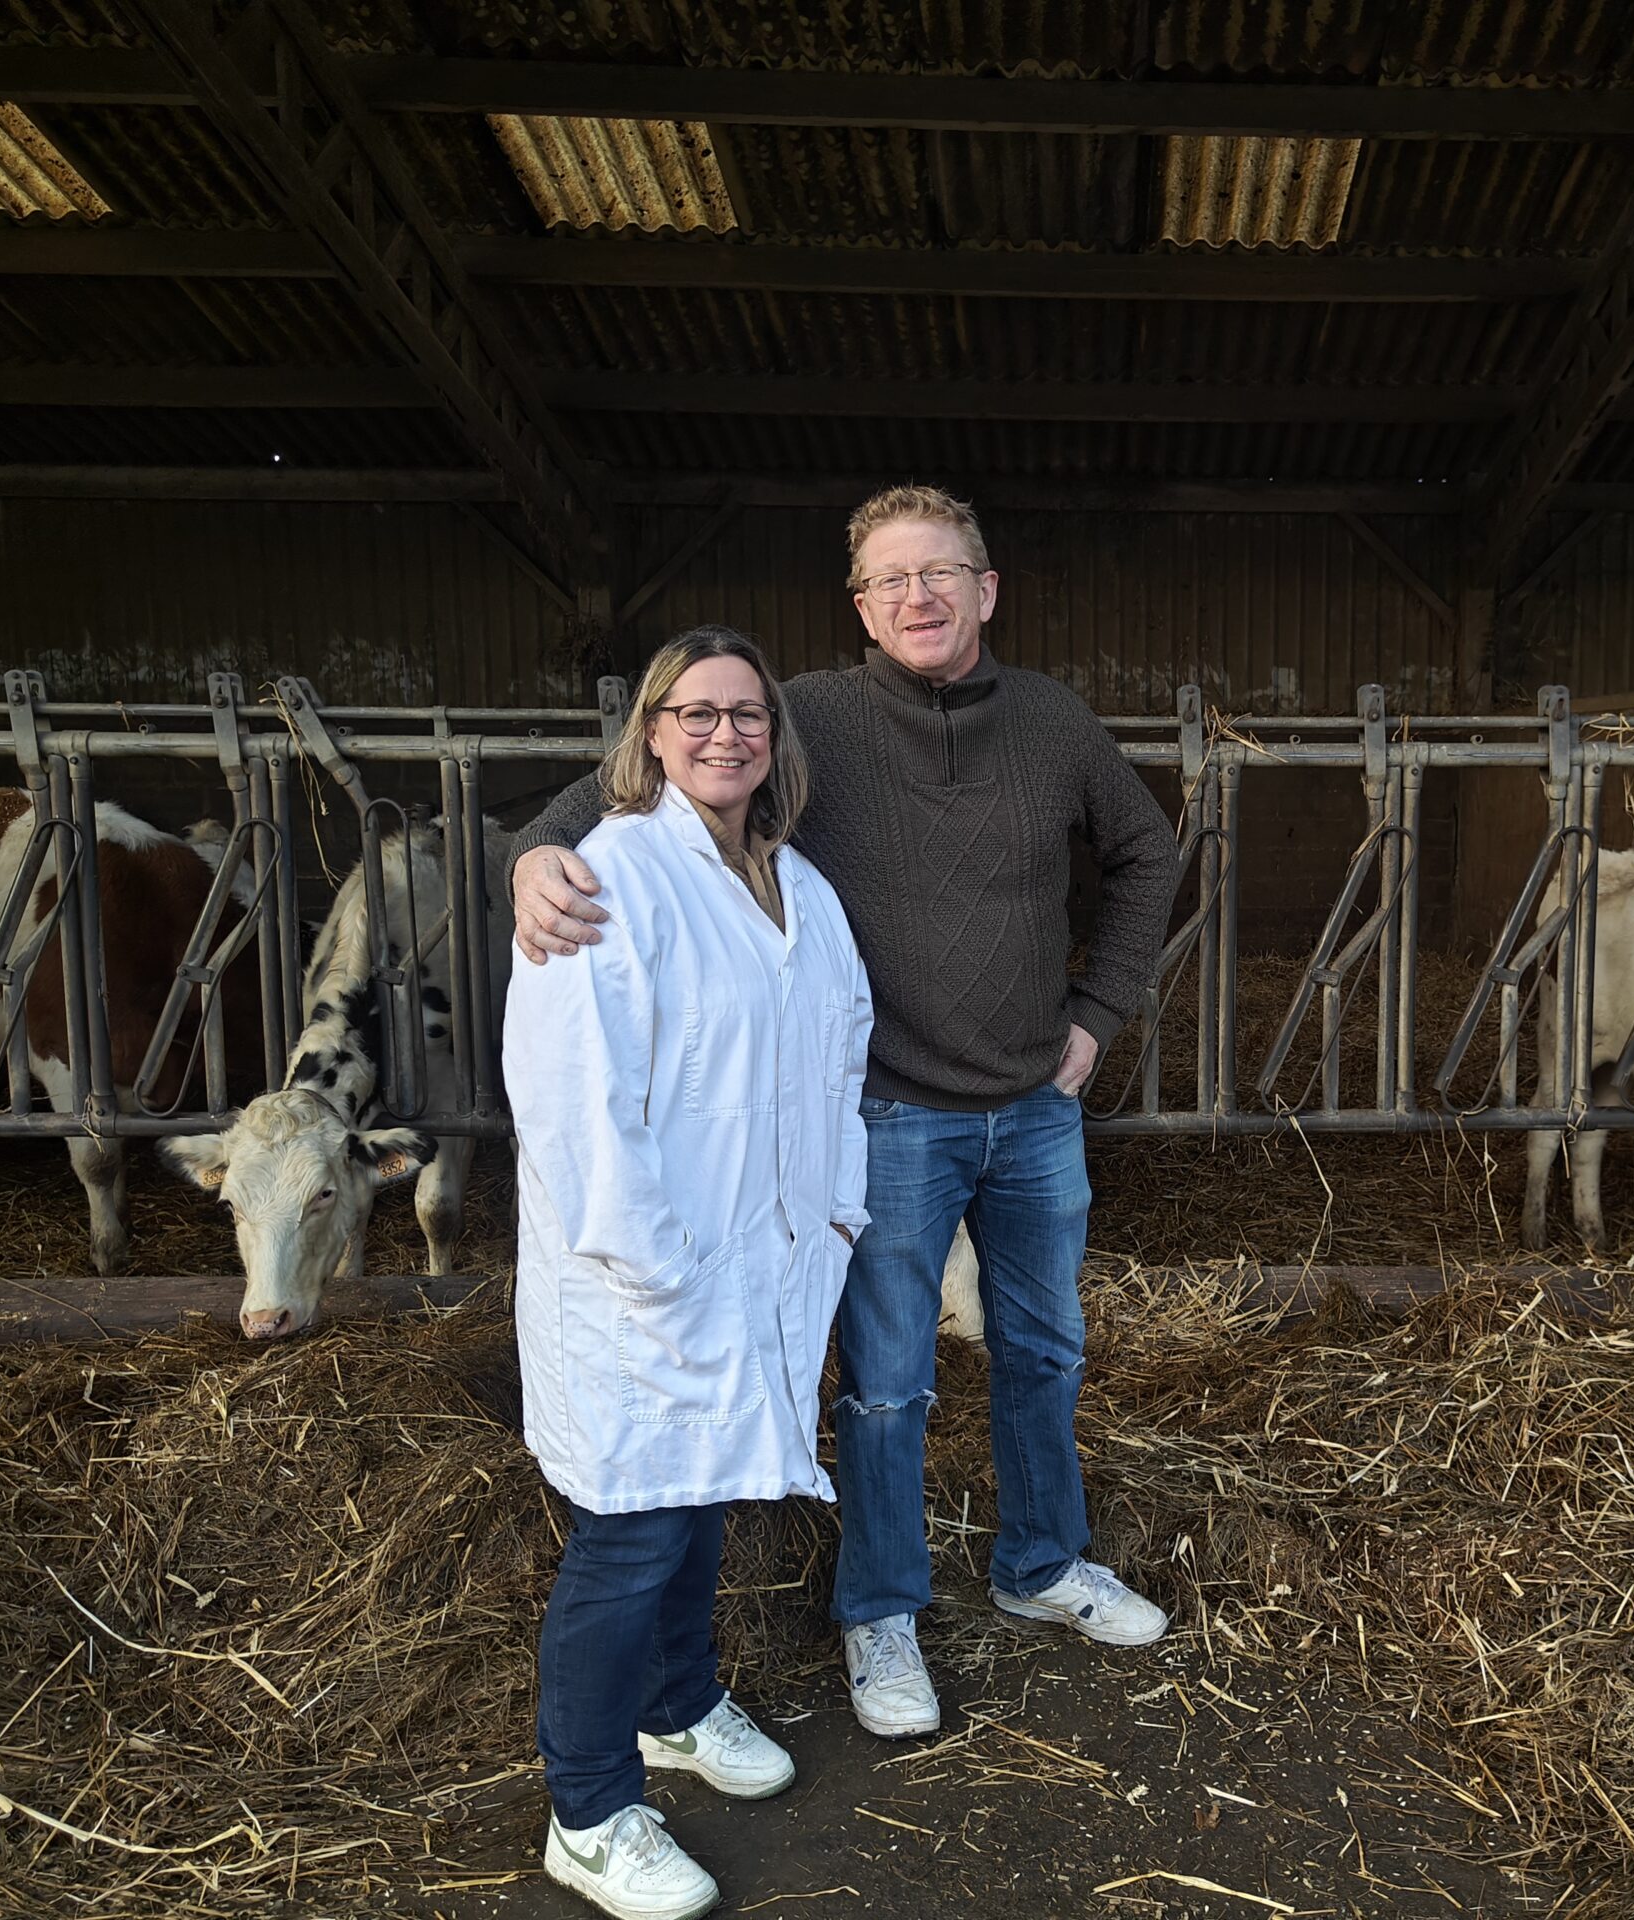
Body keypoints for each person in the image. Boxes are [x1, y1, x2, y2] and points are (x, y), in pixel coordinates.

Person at [511, 485, 1180, 1745]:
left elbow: (1148, 849)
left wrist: (1100, 1011)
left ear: (988, 588)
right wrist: (533, 861)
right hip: (890, 1117)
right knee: (886, 1383)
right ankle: (881, 1610)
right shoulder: (797, 715)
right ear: (858, 606)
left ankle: (1040, 1565)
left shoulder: (1052, 723)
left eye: (942, 573)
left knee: (1044, 1351)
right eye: (889, 580)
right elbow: (592, 803)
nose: (917, 597)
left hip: (1036, 1108)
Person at [506, 627, 873, 1920]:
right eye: (698, 712)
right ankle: (590, 1806)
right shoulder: (610, 877)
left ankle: (675, 1706)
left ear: (776, 739)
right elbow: (570, 1097)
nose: (727, 733)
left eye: (749, 714)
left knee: (703, 1501)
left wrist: (838, 1211)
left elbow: (840, 1056)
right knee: (631, 1532)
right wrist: (647, 1261)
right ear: (652, 734)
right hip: (644, 1280)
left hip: (763, 1268)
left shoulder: (800, 893)